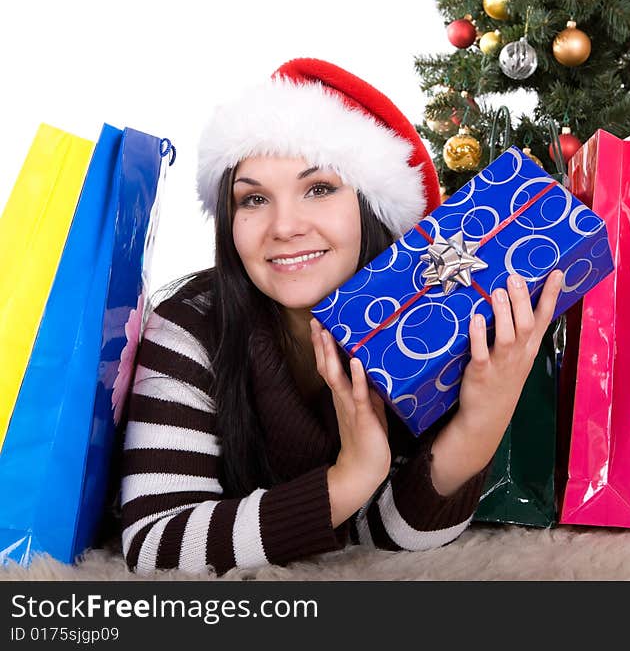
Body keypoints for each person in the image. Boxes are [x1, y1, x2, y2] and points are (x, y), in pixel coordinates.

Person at [119, 58, 563, 575]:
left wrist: (482, 419)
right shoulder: (190, 329)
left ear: (369, 208)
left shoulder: (423, 325)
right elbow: (153, 547)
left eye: (320, 189)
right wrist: (351, 478)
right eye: (254, 198)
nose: (284, 226)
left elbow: (391, 535)